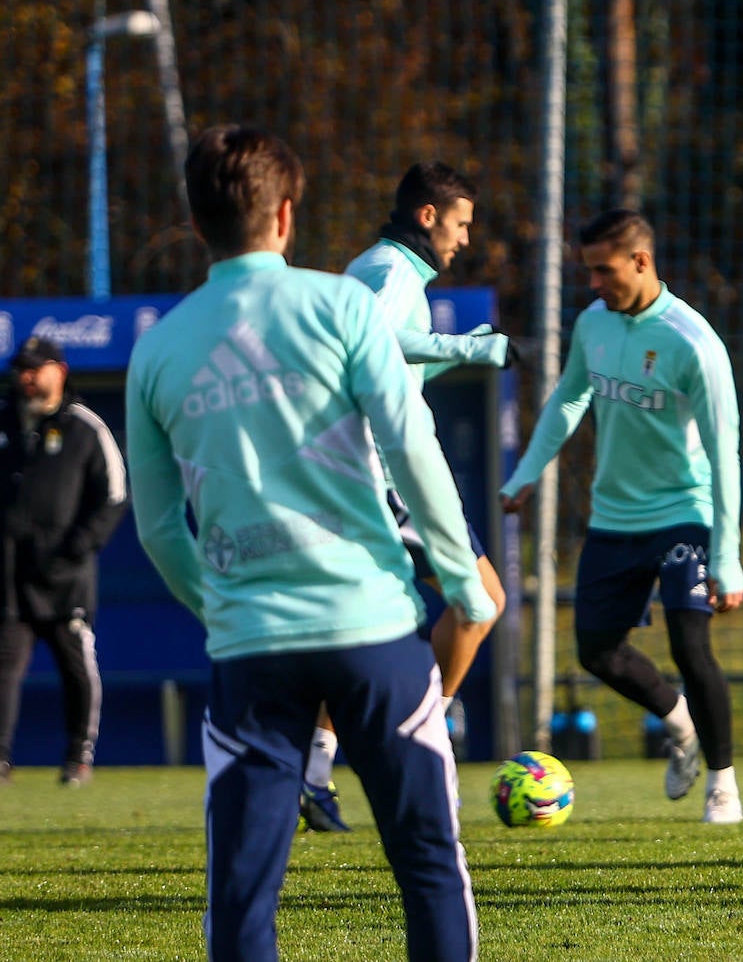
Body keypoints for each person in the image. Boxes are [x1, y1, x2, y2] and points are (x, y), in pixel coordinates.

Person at [125, 124, 495, 960]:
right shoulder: (341, 305)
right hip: (372, 633)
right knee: (429, 864)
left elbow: (156, 526)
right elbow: (412, 449)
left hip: (253, 650)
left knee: (244, 897)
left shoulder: (157, 348)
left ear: (195, 224)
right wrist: (465, 587)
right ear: (286, 217)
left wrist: (222, 606)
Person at [499, 208, 743, 824]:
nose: (593, 284)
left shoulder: (694, 343)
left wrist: (726, 556)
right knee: (596, 650)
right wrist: (527, 472)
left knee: (691, 644)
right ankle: (680, 726)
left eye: (603, 270)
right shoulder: (594, 323)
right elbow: (568, 397)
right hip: (614, 517)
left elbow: (725, 452)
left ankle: (723, 785)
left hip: (683, 513)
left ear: (641, 261)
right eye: (587, 272)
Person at [296, 162, 513, 833]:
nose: (465, 239)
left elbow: (386, 363)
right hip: (385, 472)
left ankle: (315, 765)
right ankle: (428, 729)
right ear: (428, 216)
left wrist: (463, 351)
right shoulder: (391, 273)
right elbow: (378, 342)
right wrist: (467, 347)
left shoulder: (382, 269)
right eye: (461, 223)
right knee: (482, 603)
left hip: (363, 468)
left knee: (370, 622)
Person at [0, 336, 127, 786]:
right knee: (5, 666)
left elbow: (113, 496)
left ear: (60, 370)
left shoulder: (84, 427)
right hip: (10, 576)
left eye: (35, 368)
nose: (25, 377)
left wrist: (76, 548)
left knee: (76, 666)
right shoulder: (6, 421)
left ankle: (78, 758)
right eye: (21, 368)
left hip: (64, 576)